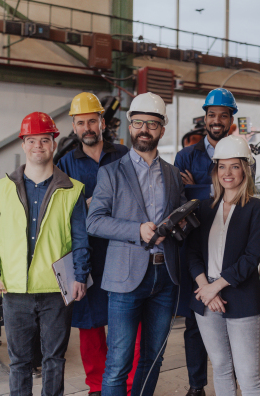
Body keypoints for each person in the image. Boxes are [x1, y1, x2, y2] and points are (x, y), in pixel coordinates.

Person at [0, 112, 90, 396]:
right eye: (31, 140)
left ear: (53, 143)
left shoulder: (72, 190)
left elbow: (80, 239)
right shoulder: (4, 189)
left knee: (54, 359)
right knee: (19, 361)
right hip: (15, 289)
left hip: (56, 288)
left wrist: (80, 276)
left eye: (44, 139)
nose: (38, 146)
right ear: (23, 144)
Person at [87, 92, 186, 396]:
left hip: (164, 278)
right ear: (130, 127)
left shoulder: (172, 173)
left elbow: (179, 210)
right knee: (119, 362)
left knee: (153, 359)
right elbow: (94, 221)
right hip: (125, 280)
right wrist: (136, 230)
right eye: (139, 123)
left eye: (152, 124)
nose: (145, 129)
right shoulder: (110, 173)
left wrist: (180, 222)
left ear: (162, 129)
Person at [56, 92, 139, 396]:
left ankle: (128, 386)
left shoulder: (124, 156)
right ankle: (96, 388)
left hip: (124, 251)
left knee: (127, 323)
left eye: (93, 120)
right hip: (87, 255)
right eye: (81, 122)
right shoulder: (64, 164)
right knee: (90, 326)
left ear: (103, 122)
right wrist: (87, 206)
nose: (87, 127)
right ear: (74, 127)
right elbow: (60, 213)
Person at [187, 135, 260, 396]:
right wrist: (205, 287)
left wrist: (215, 287)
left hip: (242, 297)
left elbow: (251, 258)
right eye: (222, 166)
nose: (227, 173)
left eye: (234, 166)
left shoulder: (256, 207)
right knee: (220, 367)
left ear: (245, 169)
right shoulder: (204, 208)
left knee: (248, 376)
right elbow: (192, 252)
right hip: (206, 297)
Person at [174, 88, 239, 396]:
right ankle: (196, 385)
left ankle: (231, 382)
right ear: (205, 118)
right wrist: (203, 192)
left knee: (235, 318)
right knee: (195, 322)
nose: (216, 121)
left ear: (230, 120)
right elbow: (180, 202)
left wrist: (197, 189)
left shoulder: (240, 153)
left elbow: (242, 195)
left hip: (230, 249)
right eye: (212, 115)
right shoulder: (186, 156)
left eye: (223, 115)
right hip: (195, 248)